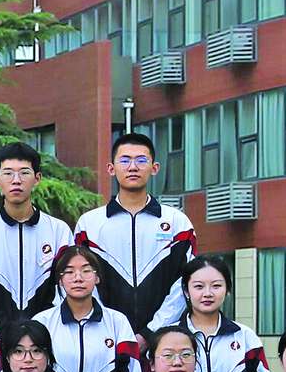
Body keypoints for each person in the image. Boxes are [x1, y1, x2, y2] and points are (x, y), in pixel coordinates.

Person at [72, 131, 196, 331]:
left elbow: (185, 282)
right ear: (111, 168)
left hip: (165, 337)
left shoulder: (177, 223)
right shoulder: (89, 225)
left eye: (141, 160)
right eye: (124, 160)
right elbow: (82, 281)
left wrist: (151, 332)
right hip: (105, 333)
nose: (132, 167)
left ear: (154, 168)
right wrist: (110, 328)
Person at [0, 142, 72, 330]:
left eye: (24, 173)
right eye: (8, 173)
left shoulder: (58, 231)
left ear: (37, 178)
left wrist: (40, 333)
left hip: (47, 335)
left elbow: (64, 288)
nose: (16, 180)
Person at [34, 244, 142, 372]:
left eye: (86, 271)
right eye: (69, 272)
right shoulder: (42, 322)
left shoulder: (117, 321)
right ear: (60, 280)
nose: (78, 278)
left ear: (97, 277)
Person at [176, 256, 262, 372]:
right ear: (186, 291)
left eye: (216, 286)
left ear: (227, 289)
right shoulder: (169, 336)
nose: (207, 293)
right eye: (199, 286)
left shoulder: (244, 336)